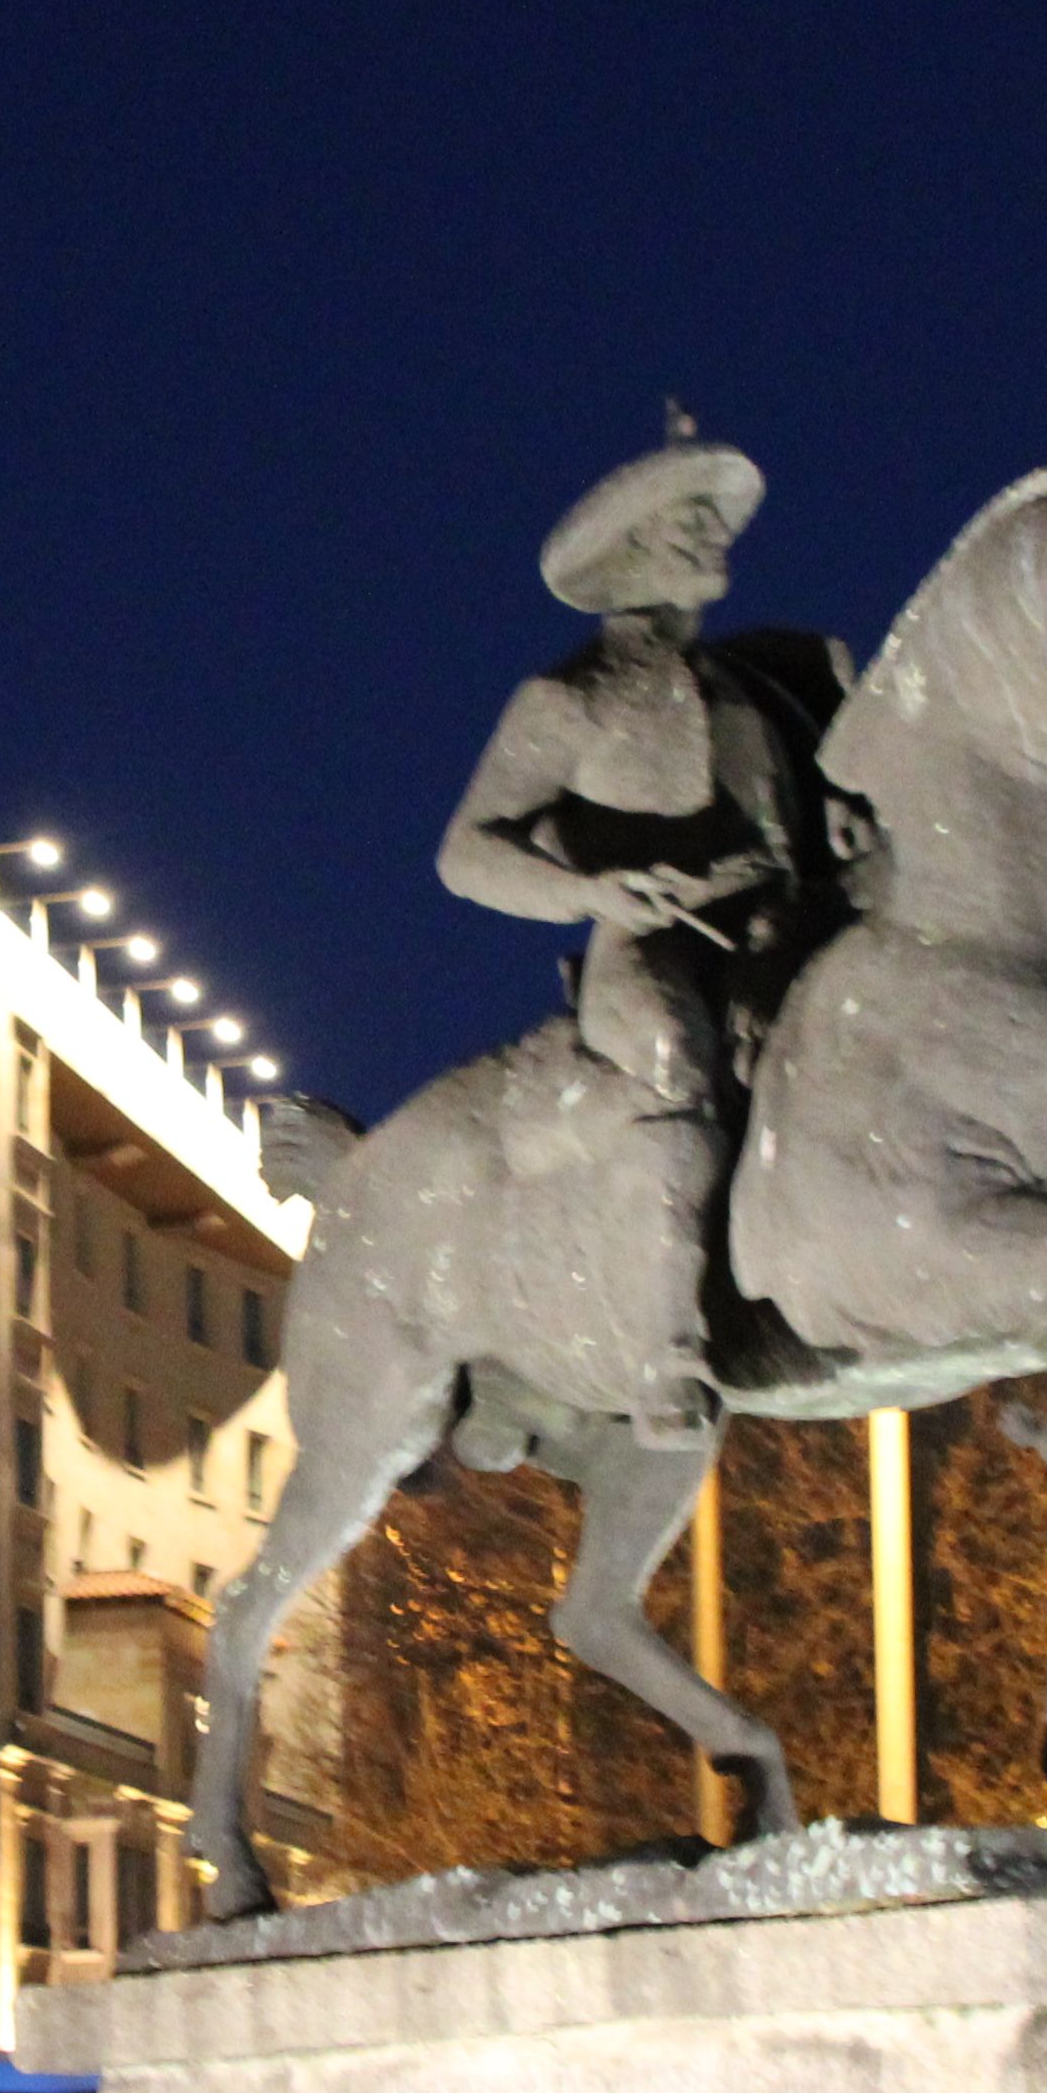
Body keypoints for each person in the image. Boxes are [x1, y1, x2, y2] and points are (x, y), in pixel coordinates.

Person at [430, 420, 850, 1442]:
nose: (717, 540)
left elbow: (800, 810)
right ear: (629, 553)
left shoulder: (759, 684)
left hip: (785, 931)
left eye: (716, 522)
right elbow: (465, 852)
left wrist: (839, 819)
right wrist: (596, 894)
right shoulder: (570, 700)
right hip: (653, 947)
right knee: (673, 1066)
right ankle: (670, 1347)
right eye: (691, 524)